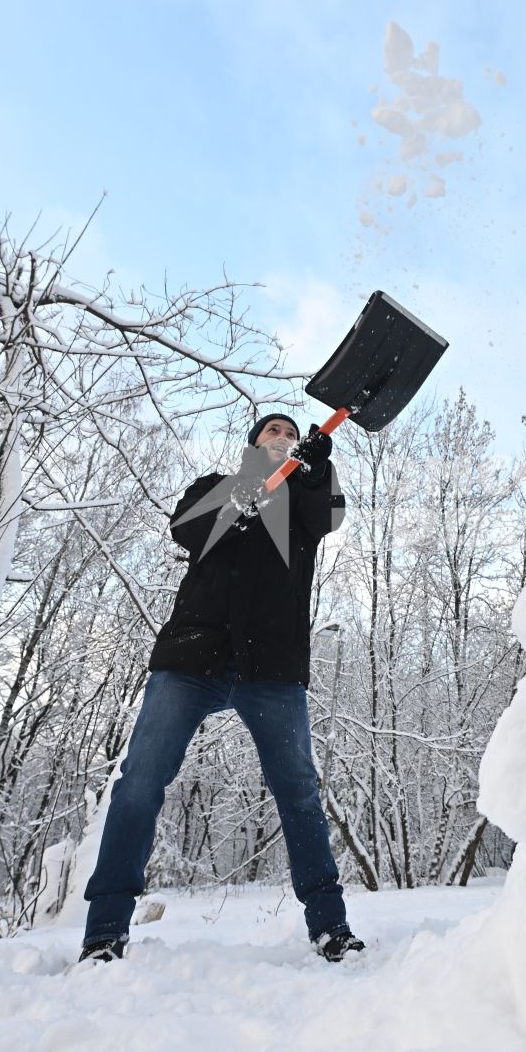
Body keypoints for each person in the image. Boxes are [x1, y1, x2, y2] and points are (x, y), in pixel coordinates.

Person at [79, 412, 364, 963]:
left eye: (287, 433)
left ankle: (330, 927)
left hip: (273, 667)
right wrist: (246, 490)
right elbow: (186, 528)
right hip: (193, 655)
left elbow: (327, 518)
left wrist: (314, 474)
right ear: (252, 443)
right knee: (139, 784)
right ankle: (104, 932)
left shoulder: (302, 501)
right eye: (270, 432)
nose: (280, 438)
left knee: (299, 793)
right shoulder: (217, 486)